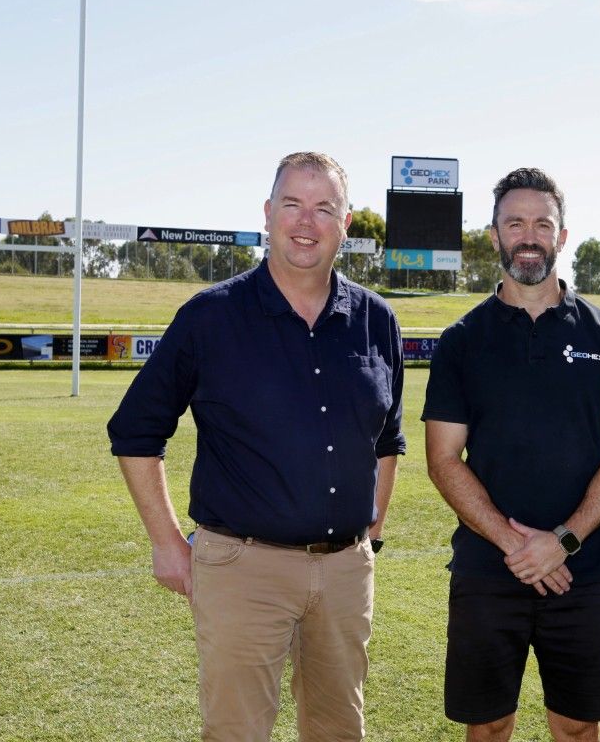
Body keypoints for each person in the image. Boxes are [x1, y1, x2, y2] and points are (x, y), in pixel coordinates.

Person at [107, 151, 405, 742]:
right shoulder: (210, 317)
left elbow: (388, 438)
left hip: (346, 570)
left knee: (340, 731)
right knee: (237, 733)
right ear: (268, 214)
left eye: (325, 208)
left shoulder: (377, 320)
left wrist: (370, 534)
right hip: (243, 567)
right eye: (292, 204)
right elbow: (135, 431)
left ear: (346, 225)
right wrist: (167, 543)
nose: (306, 221)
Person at [422, 167, 600, 742]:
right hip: (488, 567)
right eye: (514, 222)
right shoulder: (462, 341)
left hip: (583, 567)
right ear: (494, 234)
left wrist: (562, 541)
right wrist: (516, 545)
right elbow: (444, 458)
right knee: (491, 723)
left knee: (576, 727)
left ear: (562, 235)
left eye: (541, 223)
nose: (529, 235)